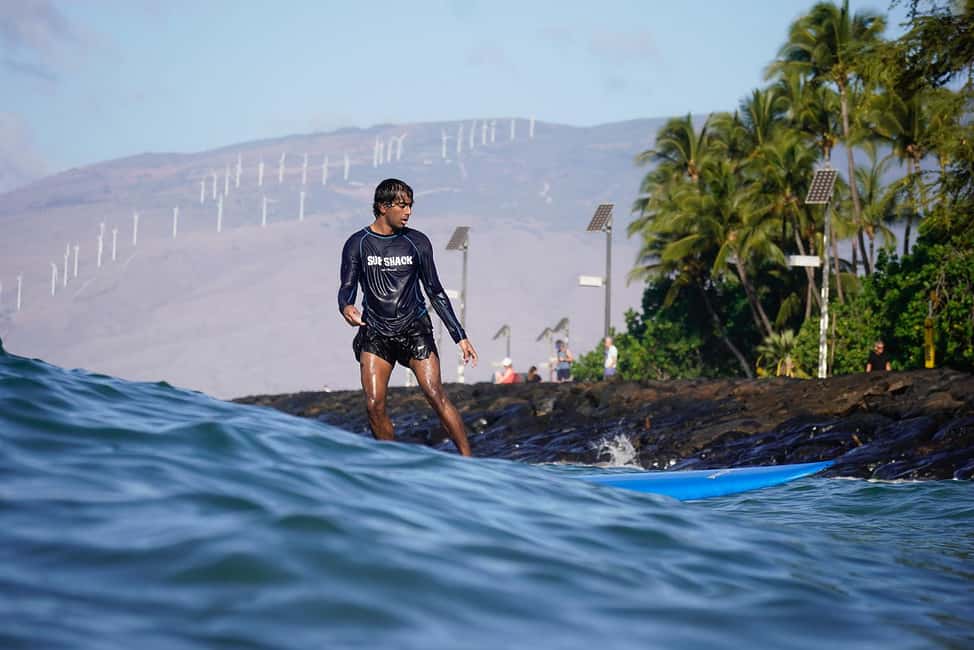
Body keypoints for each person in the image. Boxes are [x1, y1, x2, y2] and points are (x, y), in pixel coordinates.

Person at [338, 178, 478, 456]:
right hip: (376, 333)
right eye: (402, 205)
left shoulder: (417, 242)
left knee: (435, 395)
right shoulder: (358, 243)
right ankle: (390, 465)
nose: (408, 212)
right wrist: (346, 307)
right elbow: (347, 287)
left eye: (410, 205)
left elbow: (435, 291)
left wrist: (459, 337)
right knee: (374, 404)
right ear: (382, 206)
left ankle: (470, 462)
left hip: (415, 330)